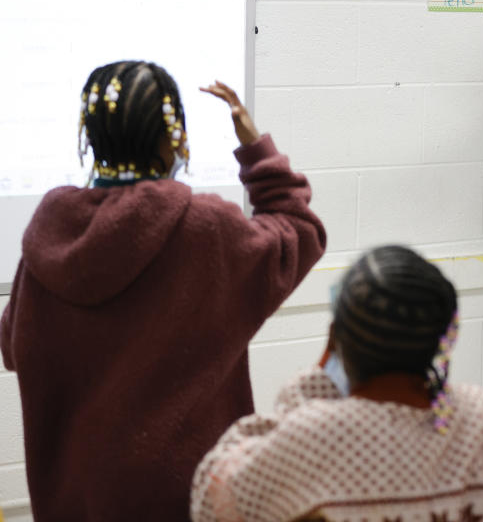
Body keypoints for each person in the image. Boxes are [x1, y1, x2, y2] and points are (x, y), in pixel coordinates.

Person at [0, 61, 326, 521]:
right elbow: (299, 231)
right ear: (173, 139)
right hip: (191, 504)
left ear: (88, 138)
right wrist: (255, 148)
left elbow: (13, 349)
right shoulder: (207, 231)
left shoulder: (47, 240)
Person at [191, 245, 483, 522]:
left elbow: (213, 498)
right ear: (445, 338)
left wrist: (311, 388)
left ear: (336, 343)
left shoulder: (305, 438)